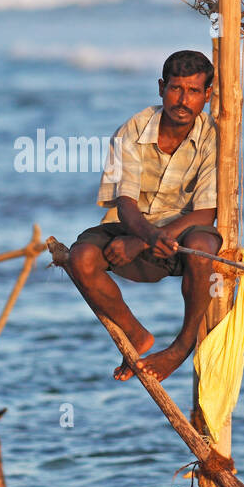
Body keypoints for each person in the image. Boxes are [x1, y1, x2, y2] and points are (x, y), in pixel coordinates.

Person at [68, 49, 222, 382]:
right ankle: (136, 335)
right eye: (175, 89)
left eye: (194, 91)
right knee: (80, 257)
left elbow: (207, 211)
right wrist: (145, 237)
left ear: (207, 95)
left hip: (184, 234)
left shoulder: (214, 137)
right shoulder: (133, 130)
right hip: (133, 226)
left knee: (204, 245)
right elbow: (125, 204)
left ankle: (180, 348)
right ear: (161, 88)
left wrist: (148, 241)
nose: (183, 100)